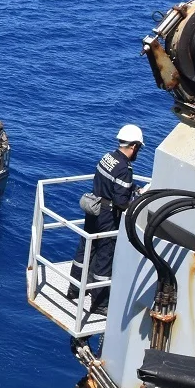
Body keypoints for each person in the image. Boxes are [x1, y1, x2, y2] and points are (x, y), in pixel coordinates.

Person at [69, 124, 144, 312]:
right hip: (107, 216)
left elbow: (109, 182)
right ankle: (100, 303)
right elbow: (120, 201)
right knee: (105, 256)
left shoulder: (108, 157)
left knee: (86, 249)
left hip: (94, 208)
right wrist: (135, 201)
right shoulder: (125, 168)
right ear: (134, 146)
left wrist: (131, 188)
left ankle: (74, 289)